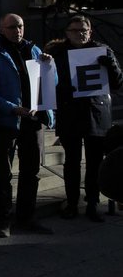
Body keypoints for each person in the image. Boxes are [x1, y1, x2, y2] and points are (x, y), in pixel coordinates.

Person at [0, 13, 54, 237]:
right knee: (4, 172)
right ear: (2, 29)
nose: (17, 30)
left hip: (34, 119)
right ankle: (4, 219)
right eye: (12, 27)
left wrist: (51, 67)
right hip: (8, 120)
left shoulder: (35, 51)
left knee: (31, 170)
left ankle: (27, 216)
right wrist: (11, 107)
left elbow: (51, 85)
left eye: (20, 26)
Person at [47, 16, 123, 221]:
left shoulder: (102, 50)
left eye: (85, 30)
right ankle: (72, 202)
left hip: (95, 113)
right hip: (70, 113)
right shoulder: (57, 53)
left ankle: (92, 203)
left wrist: (111, 66)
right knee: (71, 161)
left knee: (95, 162)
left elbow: (117, 83)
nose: (81, 34)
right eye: (76, 30)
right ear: (67, 33)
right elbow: (49, 82)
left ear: (90, 32)